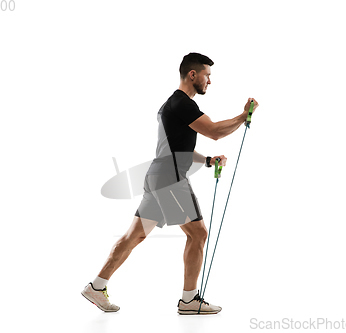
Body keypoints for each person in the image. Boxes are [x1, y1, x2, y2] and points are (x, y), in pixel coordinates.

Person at [81, 52, 259, 315]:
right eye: (207, 76)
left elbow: (176, 149)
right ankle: (189, 301)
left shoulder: (169, 105)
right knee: (198, 234)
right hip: (170, 179)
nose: (209, 82)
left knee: (134, 236)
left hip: (159, 175)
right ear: (192, 74)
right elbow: (214, 132)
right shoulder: (183, 104)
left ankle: (96, 286)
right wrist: (243, 115)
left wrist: (208, 161)